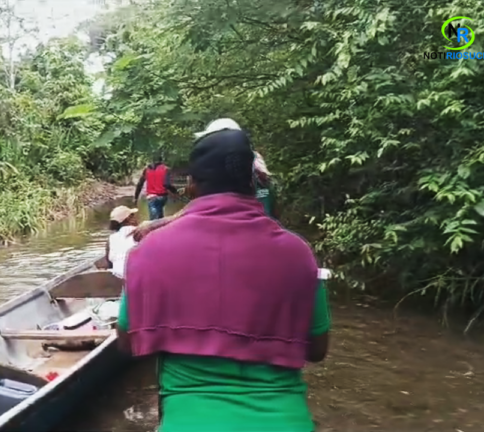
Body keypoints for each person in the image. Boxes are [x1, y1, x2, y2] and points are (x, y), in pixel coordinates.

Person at [117, 128, 330, 432]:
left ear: (191, 184)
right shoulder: (297, 252)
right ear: (254, 181)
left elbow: (128, 342)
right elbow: (317, 350)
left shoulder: (149, 251)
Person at [130, 119, 277, 240]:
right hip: (262, 237)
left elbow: (208, 206)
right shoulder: (258, 170)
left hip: (154, 198)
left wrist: (158, 218)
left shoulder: (232, 170)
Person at [133, 155, 180, 220]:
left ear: (152, 161)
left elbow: (140, 184)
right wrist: (175, 192)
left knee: (153, 221)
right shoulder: (166, 169)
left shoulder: (146, 169)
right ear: (162, 161)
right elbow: (167, 184)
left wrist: (136, 197)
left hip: (151, 197)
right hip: (162, 197)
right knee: (159, 217)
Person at [102, 206, 139, 278]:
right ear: (129, 219)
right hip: (136, 277)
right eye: (133, 215)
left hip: (118, 278)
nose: (136, 218)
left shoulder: (111, 238)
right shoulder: (140, 232)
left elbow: (109, 263)